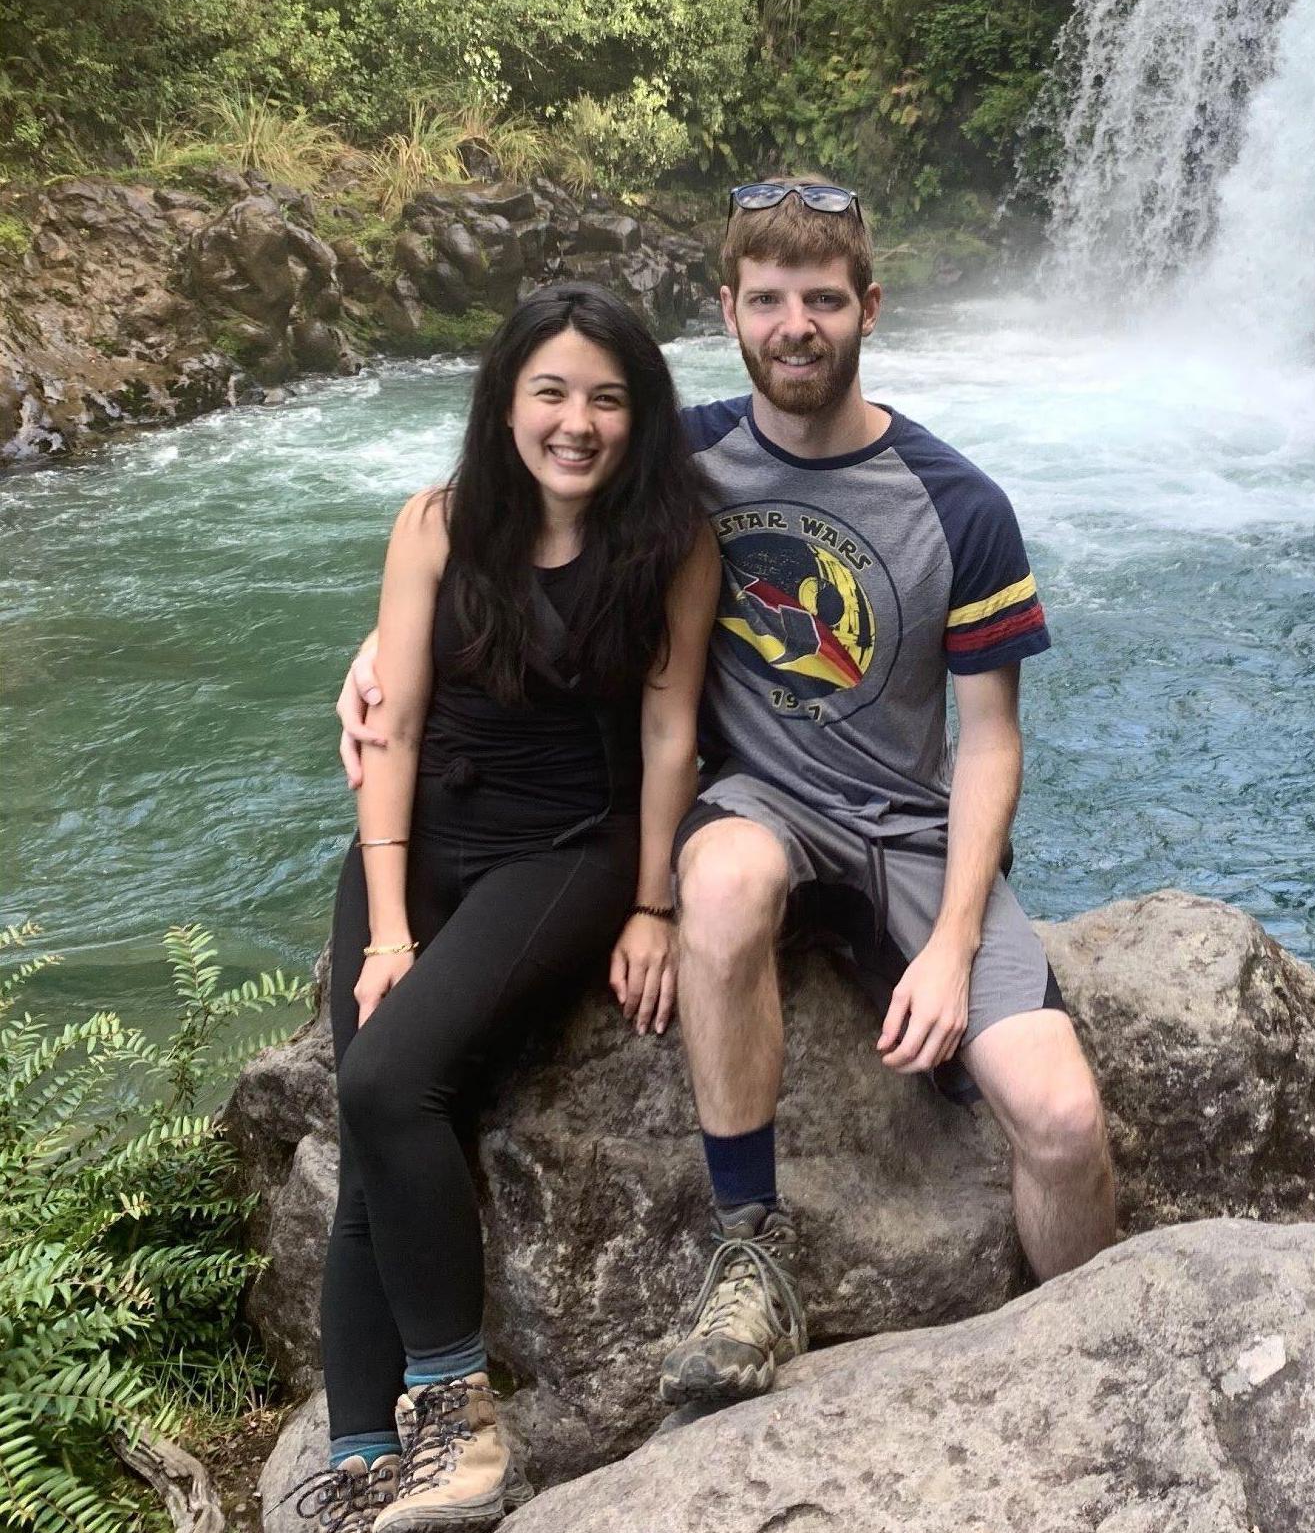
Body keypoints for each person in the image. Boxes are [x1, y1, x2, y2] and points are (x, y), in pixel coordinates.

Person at [338, 179, 1117, 1418]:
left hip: (912, 832)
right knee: (722, 882)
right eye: (768, 301)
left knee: (1066, 1122)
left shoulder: (960, 505)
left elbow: (988, 745)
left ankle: (1088, 1377)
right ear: (730, 312)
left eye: (821, 300)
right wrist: (376, 660)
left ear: (868, 310)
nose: (794, 325)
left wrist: (958, 945)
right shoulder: (674, 456)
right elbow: (501, 528)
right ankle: (751, 1250)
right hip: (753, 801)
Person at [296, 282, 718, 1533]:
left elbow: (667, 735)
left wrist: (651, 902)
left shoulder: (669, 539)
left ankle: (454, 1413)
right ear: (506, 401)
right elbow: (396, 727)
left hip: (565, 848)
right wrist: (389, 920)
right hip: (425, 840)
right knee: (371, 1095)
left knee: (395, 1075)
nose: (576, 421)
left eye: (604, 396)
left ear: (636, 412)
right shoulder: (434, 522)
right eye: (551, 392)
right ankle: (361, 1466)